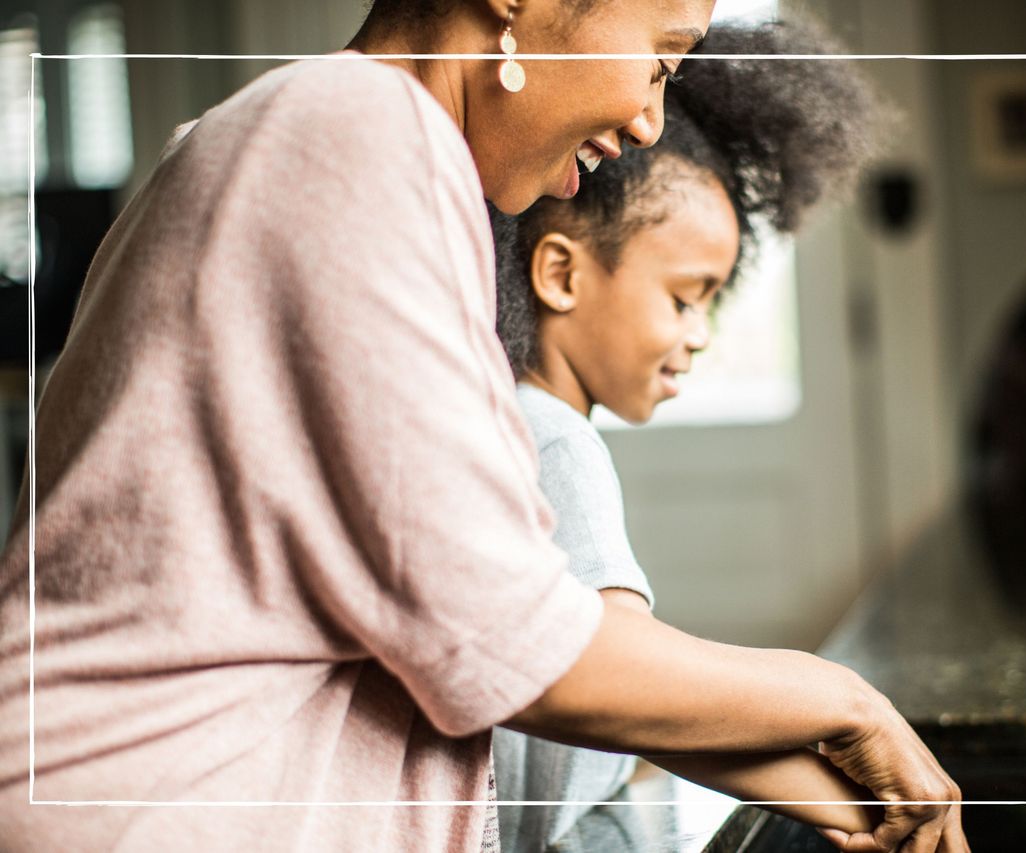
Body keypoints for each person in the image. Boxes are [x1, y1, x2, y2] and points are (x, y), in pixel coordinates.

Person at [0, 1, 966, 851]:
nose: (649, 118)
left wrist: (853, 801)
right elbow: (518, 644)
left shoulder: (265, 135)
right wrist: (845, 702)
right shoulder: (361, 130)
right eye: (660, 60)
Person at [489, 21, 884, 852]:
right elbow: (632, 685)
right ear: (560, 274)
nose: (700, 334)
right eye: (683, 297)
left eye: (714, 301)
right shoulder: (553, 441)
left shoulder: (507, 419)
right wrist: (842, 768)